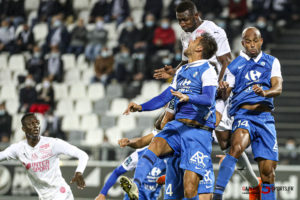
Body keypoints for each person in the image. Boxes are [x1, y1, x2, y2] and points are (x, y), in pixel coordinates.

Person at [153, 2, 260, 199]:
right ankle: (174, 173)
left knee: (222, 139)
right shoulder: (186, 36)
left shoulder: (213, 31)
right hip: (196, 88)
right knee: (172, 125)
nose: (182, 24)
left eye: (185, 19)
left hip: (217, 88)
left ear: (196, 16)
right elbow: (191, 61)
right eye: (179, 21)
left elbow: (226, 60)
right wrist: (174, 71)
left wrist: (218, 88)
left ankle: (252, 184)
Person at [120, 32, 218, 200]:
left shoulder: (208, 69)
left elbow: (209, 98)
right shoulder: (182, 71)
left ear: (200, 48)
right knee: (155, 144)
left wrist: (189, 97)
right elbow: (165, 97)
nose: (190, 41)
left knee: (189, 190)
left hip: (198, 132)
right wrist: (141, 107)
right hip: (178, 126)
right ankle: (136, 185)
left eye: (194, 40)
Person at [212, 27, 283, 200]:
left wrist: (265, 93)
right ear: (243, 43)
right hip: (244, 115)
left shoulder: (272, 61)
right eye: (248, 42)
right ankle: (218, 195)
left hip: (265, 118)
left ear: (261, 41)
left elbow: (278, 87)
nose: (252, 45)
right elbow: (226, 93)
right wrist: (222, 90)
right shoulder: (234, 65)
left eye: (255, 41)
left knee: (268, 174)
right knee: (236, 147)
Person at [0, 113, 89, 199]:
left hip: (61, 194)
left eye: (37, 123)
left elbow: (83, 155)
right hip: (44, 197)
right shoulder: (18, 148)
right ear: (24, 129)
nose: (35, 126)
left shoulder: (52, 144)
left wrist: (79, 172)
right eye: (31, 124)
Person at [95, 130, 166, 200]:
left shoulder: (170, 156)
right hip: (134, 197)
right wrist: (102, 193)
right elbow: (117, 172)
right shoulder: (139, 154)